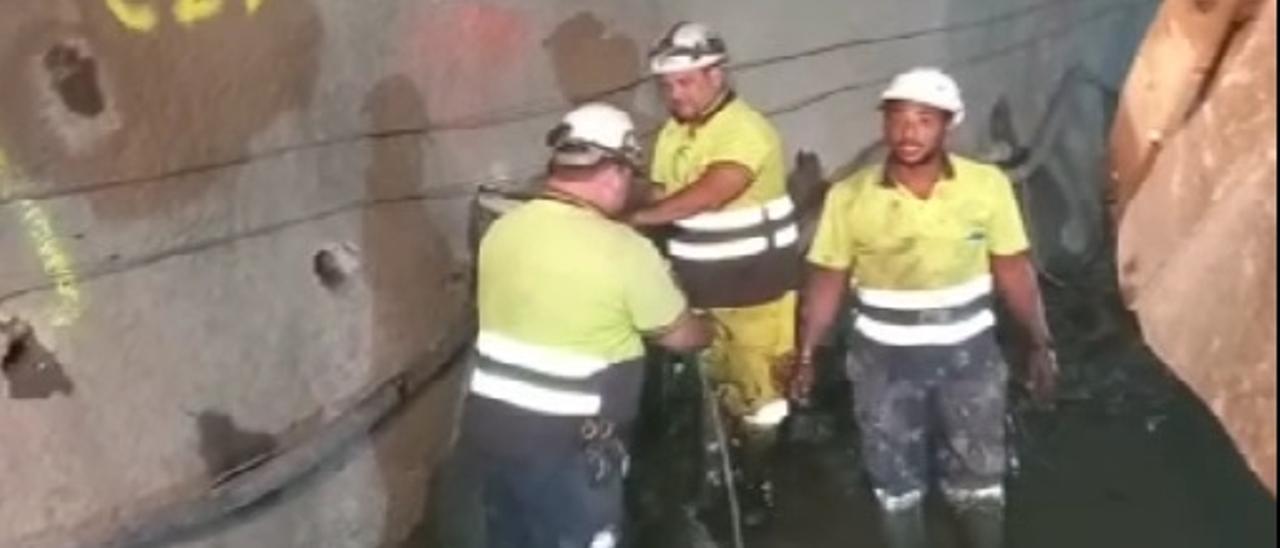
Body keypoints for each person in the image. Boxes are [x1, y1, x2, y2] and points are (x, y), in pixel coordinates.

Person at [791, 68, 1059, 548]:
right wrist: (808, 354)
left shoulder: (986, 186)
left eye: (923, 120)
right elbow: (829, 277)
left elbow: (1014, 268)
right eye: (897, 118)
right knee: (895, 480)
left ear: (948, 125)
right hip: (884, 363)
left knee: (978, 475)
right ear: (883, 124)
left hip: (969, 359)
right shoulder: (850, 196)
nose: (907, 132)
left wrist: (1040, 341)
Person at [457, 103, 713, 548]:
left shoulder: (502, 232)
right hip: (570, 452)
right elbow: (678, 335)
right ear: (614, 172)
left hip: (491, 436)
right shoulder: (624, 250)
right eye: (630, 175)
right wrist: (708, 328)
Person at [628, 22, 801, 524]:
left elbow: (713, 190)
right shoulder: (671, 135)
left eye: (685, 82)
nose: (674, 94)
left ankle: (756, 480)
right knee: (710, 393)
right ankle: (712, 478)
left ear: (716, 74)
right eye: (667, 86)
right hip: (699, 294)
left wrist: (636, 217)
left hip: (757, 296)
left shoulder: (747, 130)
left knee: (761, 401)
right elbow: (661, 192)